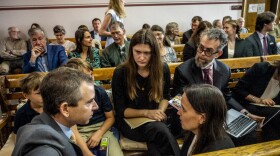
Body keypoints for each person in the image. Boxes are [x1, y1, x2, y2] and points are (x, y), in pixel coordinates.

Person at [172, 28, 263, 134]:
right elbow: (177, 100)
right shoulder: (183, 70)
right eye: (201, 47)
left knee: (247, 132)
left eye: (209, 51)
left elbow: (225, 96)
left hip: (216, 117)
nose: (202, 53)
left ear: (218, 54)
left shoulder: (224, 70)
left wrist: (246, 113)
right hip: (194, 119)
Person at [112, 29, 180, 155]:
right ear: (131, 50)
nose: (141, 57)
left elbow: (165, 97)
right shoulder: (121, 72)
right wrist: (148, 113)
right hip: (130, 122)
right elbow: (121, 111)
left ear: (154, 53)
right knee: (161, 131)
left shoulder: (162, 68)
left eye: (147, 53)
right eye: (137, 52)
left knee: (158, 139)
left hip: (155, 119)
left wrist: (159, 112)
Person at [12, 67, 99, 156]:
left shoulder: (47, 122)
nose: (96, 106)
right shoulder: (45, 150)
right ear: (65, 109)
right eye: (89, 102)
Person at [65, 58, 123, 156]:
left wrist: (99, 133)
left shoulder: (100, 92)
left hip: (102, 129)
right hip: (80, 131)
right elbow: (72, 127)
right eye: (85, 77)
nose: (91, 78)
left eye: (91, 74)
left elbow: (110, 117)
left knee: (107, 151)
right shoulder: (69, 97)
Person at [178, 84, 234, 155]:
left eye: (184, 109)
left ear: (202, 118)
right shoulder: (195, 131)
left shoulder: (215, 151)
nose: (178, 112)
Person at [233, 60, 280, 141]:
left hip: (270, 108)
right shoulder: (261, 68)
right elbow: (238, 90)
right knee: (277, 115)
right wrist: (259, 100)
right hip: (247, 105)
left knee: (276, 114)